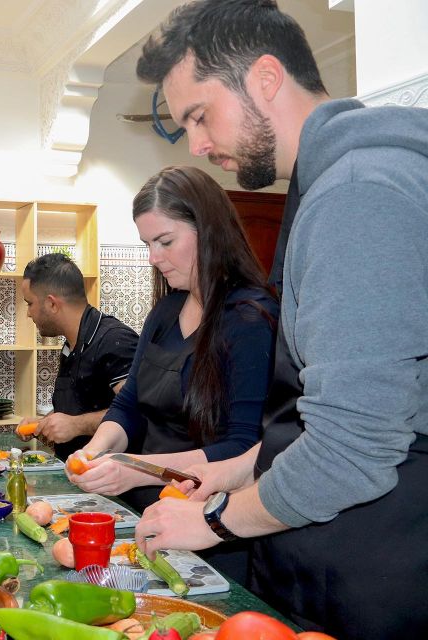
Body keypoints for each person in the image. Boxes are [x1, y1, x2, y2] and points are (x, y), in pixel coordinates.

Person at [130, 2, 428, 637]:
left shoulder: (358, 193)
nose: (200, 146)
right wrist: (236, 468)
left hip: (377, 576)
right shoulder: (339, 181)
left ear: (265, 79)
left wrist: (212, 521)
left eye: (199, 116)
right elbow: (334, 408)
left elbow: (352, 450)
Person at [69, 169, 277, 589]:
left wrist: (140, 469)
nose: (153, 257)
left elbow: (243, 448)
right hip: (144, 516)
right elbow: (128, 406)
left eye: (165, 242)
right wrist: (95, 451)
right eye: (147, 244)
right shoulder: (165, 313)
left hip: (210, 531)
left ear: (209, 231)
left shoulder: (249, 318)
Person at [17, 253, 138, 461]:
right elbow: (79, 409)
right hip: (77, 475)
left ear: (52, 304)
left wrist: (76, 425)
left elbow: (138, 414)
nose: (28, 314)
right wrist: (45, 424)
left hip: (113, 484)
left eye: (29, 304)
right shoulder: (71, 344)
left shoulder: (115, 340)